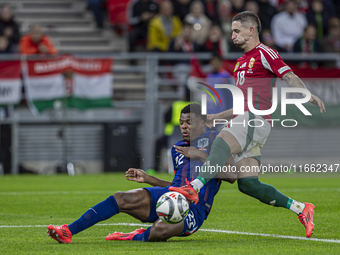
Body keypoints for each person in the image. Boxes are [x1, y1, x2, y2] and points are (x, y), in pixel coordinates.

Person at [170, 11, 326, 238]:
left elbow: (288, 75)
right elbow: (244, 103)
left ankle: (193, 187)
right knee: (248, 184)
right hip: (249, 120)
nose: (232, 35)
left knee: (221, 141)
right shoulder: (240, 61)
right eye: (231, 31)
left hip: (256, 119)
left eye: (236, 31)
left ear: (251, 30)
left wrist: (306, 94)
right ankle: (301, 209)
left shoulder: (265, 53)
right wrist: (218, 116)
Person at [47, 103, 235, 243]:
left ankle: (134, 236)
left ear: (202, 123)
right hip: (169, 196)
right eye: (181, 122)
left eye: (189, 122)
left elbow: (232, 176)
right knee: (121, 198)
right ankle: (68, 231)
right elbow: (176, 185)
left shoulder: (217, 141)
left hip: (194, 208)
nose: (184, 126)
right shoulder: (178, 148)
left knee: (159, 230)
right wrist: (148, 178)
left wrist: (201, 155)